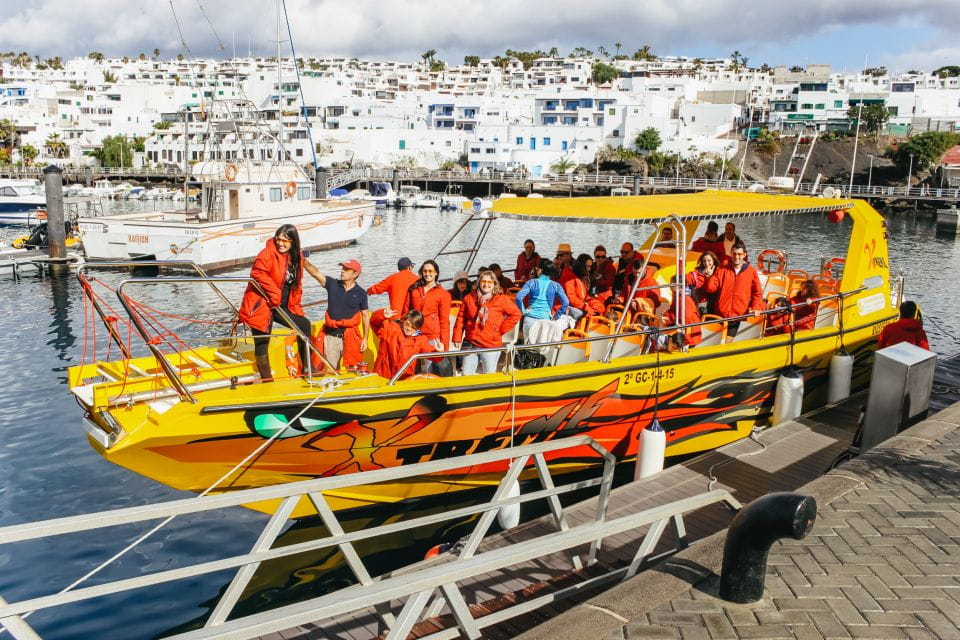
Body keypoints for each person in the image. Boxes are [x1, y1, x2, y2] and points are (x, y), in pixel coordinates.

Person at [239, 224, 317, 379]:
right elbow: (257, 273)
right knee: (262, 342)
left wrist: (296, 306)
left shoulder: (297, 258)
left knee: (304, 326)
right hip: (262, 304)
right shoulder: (267, 253)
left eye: (285, 241)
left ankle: (308, 368)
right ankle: (267, 379)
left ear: (293, 242)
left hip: (282, 305)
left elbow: (297, 285)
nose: (280, 243)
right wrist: (274, 294)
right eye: (278, 239)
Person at [453, 270, 522, 374]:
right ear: (479, 283)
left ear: (494, 284)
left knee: (489, 374)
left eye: (489, 282)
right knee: (466, 374)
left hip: (491, 343)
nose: (486, 284)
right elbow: (461, 319)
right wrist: (457, 337)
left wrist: (500, 330)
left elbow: (516, 314)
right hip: (471, 342)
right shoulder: (469, 298)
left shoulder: (501, 299)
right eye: (483, 281)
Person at [312, 257, 370, 371]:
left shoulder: (361, 293)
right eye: (343, 268)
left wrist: (365, 339)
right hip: (331, 337)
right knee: (331, 371)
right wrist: (303, 261)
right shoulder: (332, 284)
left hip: (351, 338)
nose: (342, 271)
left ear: (355, 274)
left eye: (347, 269)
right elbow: (316, 273)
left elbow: (365, 315)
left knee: (353, 370)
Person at [704, 241, 763, 337]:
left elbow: (757, 292)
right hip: (720, 315)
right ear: (731, 254)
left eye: (739, 254)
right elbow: (711, 289)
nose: (736, 257)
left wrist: (756, 307)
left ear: (744, 255)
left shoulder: (751, 271)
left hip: (739, 317)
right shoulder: (722, 269)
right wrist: (709, 277)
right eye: (734, 254)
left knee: (728, 343)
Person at [370, 308, 436, 380]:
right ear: (403, 321)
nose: (409, 329)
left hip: (404, 379)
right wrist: (382, 314)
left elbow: (432, 355)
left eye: (413, 327)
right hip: (382, 376)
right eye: (407, 324)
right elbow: (374, 322)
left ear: (418, 328)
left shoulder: (420, 340)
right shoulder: (391, 329)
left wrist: (437, 351)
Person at [404, 259, 452, 351]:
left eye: (430, 271)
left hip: (432, 336)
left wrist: (445, 345)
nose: (427, 274)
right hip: (414, 333)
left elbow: (444, 321)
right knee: (413, 363)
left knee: (429, 364)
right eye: (425, 271)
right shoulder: (413, 289)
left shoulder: (443, 294)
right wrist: (405, 330)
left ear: (436, 273)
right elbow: (406, 312)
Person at [516, 259, 569, 337]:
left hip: (530, 320)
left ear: (539, 270)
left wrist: (523, 311)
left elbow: (518, 298)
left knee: (528, 347)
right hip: (545, 321)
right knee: (541, 348)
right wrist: (556, 316)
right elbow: (566, 302)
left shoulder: (531, 282)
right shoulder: (556, 285)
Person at [659, 277, 702, 349]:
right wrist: (667, 315)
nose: (670, 286)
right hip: (685, 330)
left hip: (690, 334)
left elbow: (686, 319)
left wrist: (671, 320)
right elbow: (674, 311)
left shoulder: (684, 298)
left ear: (678, 285)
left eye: (672, 284)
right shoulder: (677, 295)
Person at [685, 251, 719, 316]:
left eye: (709, 260)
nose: (706, 263)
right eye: (704, 261)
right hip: (702, 306)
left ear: (714, 261)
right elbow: (684, 279)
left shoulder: (719, 272)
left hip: (717, 304)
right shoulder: (696, 274)